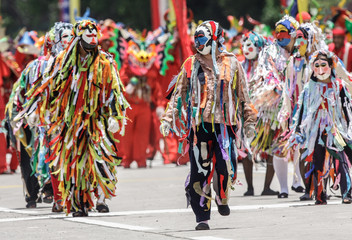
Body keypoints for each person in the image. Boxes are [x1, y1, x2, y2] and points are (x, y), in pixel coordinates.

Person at [17, 20, 129, 216]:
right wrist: (36, 109)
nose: (91, 49)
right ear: (78, 41)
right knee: (74, 164)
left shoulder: (105, 62)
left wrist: (114, 114)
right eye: (86, 44)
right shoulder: (62, 62)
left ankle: (102, 198)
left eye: (94, 44)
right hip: (71, 123)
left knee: (101, 160)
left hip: (97, 121)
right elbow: (49, 87)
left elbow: (114, 91)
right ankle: (78, 205)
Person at [160, 20, 256, 230]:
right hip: (200, 126)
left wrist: (249, 121)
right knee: (199, 171)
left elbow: (243, 95)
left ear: (215, 38)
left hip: (225, 126)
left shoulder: (232, 63)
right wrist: (168, 118)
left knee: (225, 166)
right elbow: (178, 95)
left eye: (202, 38)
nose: (198, 43)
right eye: (196, 38)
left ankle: (222, 197)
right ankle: (202, 217)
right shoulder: (191, 63)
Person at [291, 50, 352, 204]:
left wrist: (349, 128)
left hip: (336, 129)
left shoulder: (339, 86)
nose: (319, 69)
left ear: (331, 66)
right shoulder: (309, 88)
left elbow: (347, 109)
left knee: (340, 160)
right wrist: (298, 129)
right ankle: (320, 196)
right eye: (316, 65)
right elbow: (302, 110)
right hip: (315, 131)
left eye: (323, 65)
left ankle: (347, 194)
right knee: (317, 160)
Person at [250, 15, 298, 198]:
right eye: (277, 33)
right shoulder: (270, 52)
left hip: (303, 104)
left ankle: (298, 183)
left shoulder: (302, 51)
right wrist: (278, 89)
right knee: (280, 146)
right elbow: (267, 73)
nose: (279, 36)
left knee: (301, 146)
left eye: (284, 33)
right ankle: (284, 188)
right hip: (279, 108)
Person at [278, 22, 327, 200]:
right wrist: (286, 111)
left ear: (310, 39)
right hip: (300, 113)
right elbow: (287, 88)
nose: (298, 41)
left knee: (321, 151)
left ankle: (322, 188)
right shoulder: (293, 61)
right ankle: (308, 189)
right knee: (304, 150)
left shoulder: (320, 60)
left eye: (301, 38)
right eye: (296, 38)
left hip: (321, 112)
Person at [240, 31, 267, 196]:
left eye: (250, 45)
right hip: (246, 114)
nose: (246, 49)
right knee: (246, 149)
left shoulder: (266, 67)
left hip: (265, 114)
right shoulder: (240, 66)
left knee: (269, 149)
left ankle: (267, 187)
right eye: (244, 45)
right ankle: (250, 187)